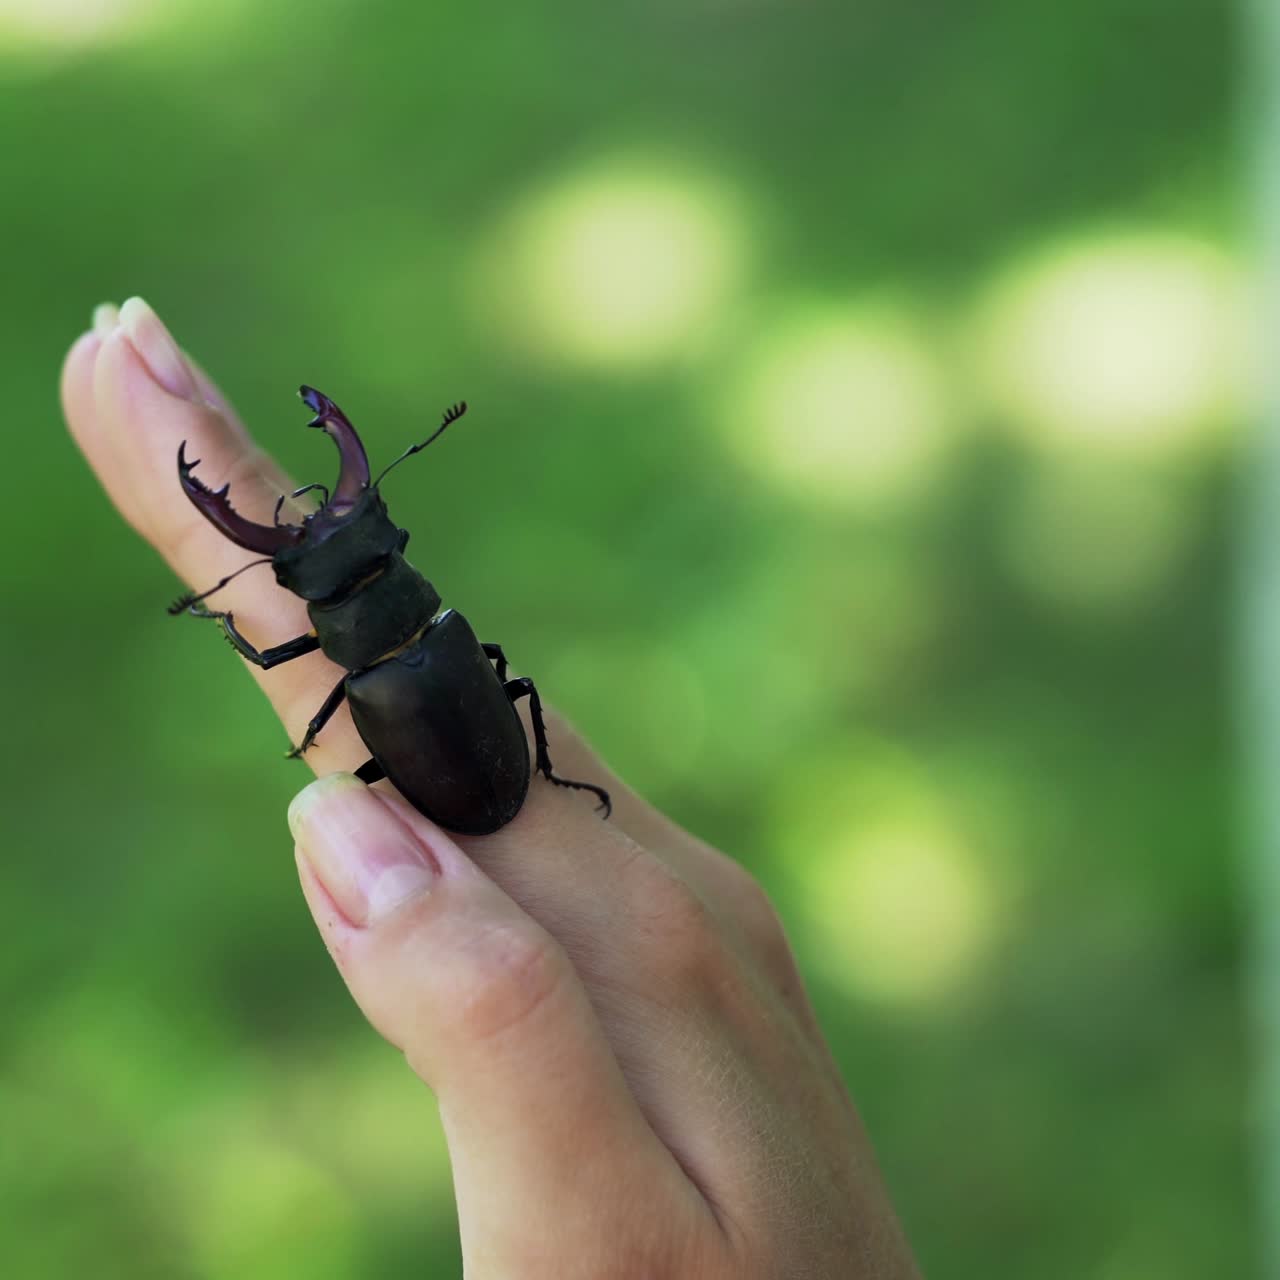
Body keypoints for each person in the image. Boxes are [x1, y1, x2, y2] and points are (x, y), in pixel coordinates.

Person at [61, 297, 920, 1279]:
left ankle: (516, 776)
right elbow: (502, 680)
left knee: (408, 736)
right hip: (470, 743)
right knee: (504, 678)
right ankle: (535, 773)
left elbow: (277, 650)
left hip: (446, 760)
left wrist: (229, 618)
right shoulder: (448, 631)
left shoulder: (357, 665)